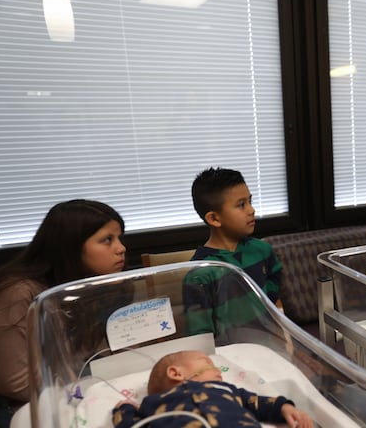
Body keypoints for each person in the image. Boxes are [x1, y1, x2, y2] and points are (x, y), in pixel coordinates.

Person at [0, 200, 126, 424]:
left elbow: (99, 353)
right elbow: (16, 384)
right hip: (26, 409)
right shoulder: (18, 293)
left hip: (76, 391)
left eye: (119, 238)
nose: (121, 248)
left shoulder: (89, 286)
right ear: (71, 246)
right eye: (107, 240)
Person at [185, 167, 284, 337]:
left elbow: (275, 286)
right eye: (241, 205)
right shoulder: (200, 271)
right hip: (230, 353)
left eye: (250, 201)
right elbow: (201, 333)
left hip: (269, 343)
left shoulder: (262, 250)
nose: (251, 210)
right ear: (214, 218)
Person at [112, 350, 312, 428]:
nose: (218, 370)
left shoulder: (225, 390)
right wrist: (125, 408)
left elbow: (257, 402)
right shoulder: (153, 404)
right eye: (206, 362)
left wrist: (285, 408)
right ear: (176, 373)